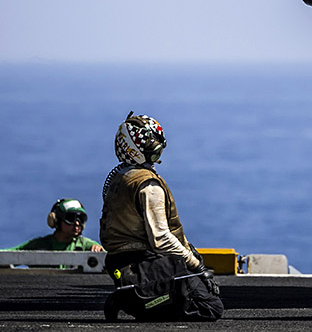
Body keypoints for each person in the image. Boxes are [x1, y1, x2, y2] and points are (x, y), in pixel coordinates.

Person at [99, 112, 223, 322]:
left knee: (186, 294)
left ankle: (131, 298)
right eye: (155, 154)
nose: (157, 160)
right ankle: (128, 300)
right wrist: (196, 265)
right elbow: (161, 239)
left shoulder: (119, 179)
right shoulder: (148, 185)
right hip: (146, 262)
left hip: (120, 263)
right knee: (210, 307)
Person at [7, 198, 104, 255]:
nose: (77, 223)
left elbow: (107, 256)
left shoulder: (85, 245)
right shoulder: (39, 245)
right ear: (56, 220)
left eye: (80, 219)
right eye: (71, 218)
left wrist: (99, 249)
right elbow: (9, 255)